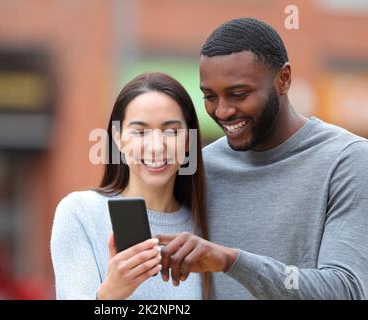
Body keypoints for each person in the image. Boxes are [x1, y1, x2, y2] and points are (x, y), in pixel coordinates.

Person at [157, 17, 368, 299]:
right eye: (210, 96)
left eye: (238, 94)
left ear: (284, 79)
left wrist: (231, 262)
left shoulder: (347, 160)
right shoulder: (200, 166)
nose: (222, 111)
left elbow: (346, 290)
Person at [50, 72, 210, 299]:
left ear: (188, 141)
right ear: (118, 138)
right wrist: (110, 293)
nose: (156, 147)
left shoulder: (205, 224)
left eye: (171, 131)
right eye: (140, 132)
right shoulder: (80, 213)